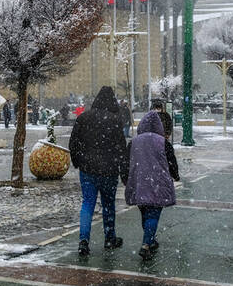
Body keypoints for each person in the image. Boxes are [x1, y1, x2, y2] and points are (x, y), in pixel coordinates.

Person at [68, 86, 128, 257]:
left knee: (87, 204)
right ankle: (110, 238)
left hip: (88, 169)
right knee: (108, 205)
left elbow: (74, 142)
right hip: (109, 170)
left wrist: (78, 161)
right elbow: (121, 149)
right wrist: (124, 172)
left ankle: (83, 241)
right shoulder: (115, 121)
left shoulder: (84, 118)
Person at [124, 111, 180, 259]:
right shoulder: (163, 142)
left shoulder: (134, 142)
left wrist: (126, 180)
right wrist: (176, 175)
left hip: (139, 183)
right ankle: (146, 244)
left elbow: (125, 164)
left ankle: (150, 239)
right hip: (158, 184)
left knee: (145, 213)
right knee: (154, 214)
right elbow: (171, 162)